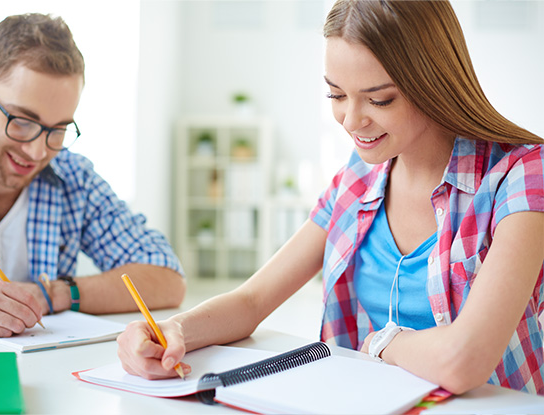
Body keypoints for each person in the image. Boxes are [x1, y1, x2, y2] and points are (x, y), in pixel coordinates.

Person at [117, 0, 544, 396]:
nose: (351, 120)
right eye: (336, 95)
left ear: (433, 82)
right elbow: (251, 301)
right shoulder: (358, 178)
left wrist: (384, 342)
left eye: (379, 99)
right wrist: (173, 330)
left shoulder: (520, 176)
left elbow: (463, 361)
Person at [0, 13, 185, 339]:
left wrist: (51, 294)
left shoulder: (73, 180)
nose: (36, 152)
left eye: (57, 129)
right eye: (21, 120)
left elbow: (168, 279)